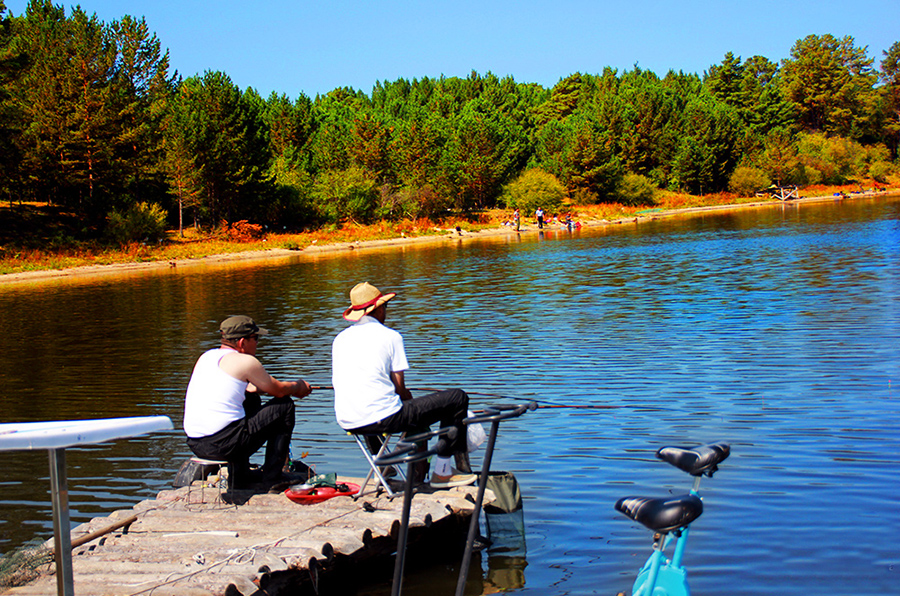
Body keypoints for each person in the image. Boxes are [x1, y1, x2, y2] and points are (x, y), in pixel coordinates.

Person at [332, 282, 477, 489]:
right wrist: (411, 401)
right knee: (457, 398)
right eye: (386, 307)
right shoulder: (391, 337)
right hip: (383, 418)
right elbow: (400, 388)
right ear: (379, 308)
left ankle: (380, 465)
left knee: (370, 402)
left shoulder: (339, 340)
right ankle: (443, 472)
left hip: (348, 419)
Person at [183, 315, 312, 490]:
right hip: (223, 446)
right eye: (256, 338)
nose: (258, 343)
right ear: (242, 342)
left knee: (250, 399)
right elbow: (279, 390)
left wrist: (260, 387)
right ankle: (273, 478)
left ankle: (240, 476)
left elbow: (242, 387)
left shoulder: (207, 357)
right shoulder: (245, 361)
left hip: (197, 444)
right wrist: (298, 386)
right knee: (285, 406)